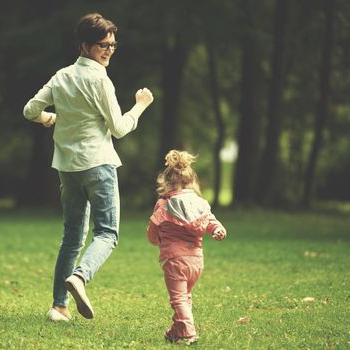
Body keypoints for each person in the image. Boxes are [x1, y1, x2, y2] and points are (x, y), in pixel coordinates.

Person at [23, 13, 154, 321]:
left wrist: (48, 118)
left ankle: (58, 307)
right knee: (107, 233)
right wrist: (141, 105)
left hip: (68, 168)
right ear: (85, 45)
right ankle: (80, 278)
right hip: (98, 165)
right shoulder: (100, 80)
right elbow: (119, 128)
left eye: (112, 44)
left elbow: (30, 110)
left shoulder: (62, 76)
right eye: (102, 45)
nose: (108, 50)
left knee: (71, 237)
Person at [147, 150, 227, 345]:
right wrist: (217, 229)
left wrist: (156, 239)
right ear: (192, 183)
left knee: (179, 299)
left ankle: (188, 332)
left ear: (165, 183)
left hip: (174, 260)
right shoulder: (200, 205)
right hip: (196, 262)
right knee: (185, 296)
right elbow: (211, 221)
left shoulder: (164, 204)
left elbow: (153, 230)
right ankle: (176, 330)